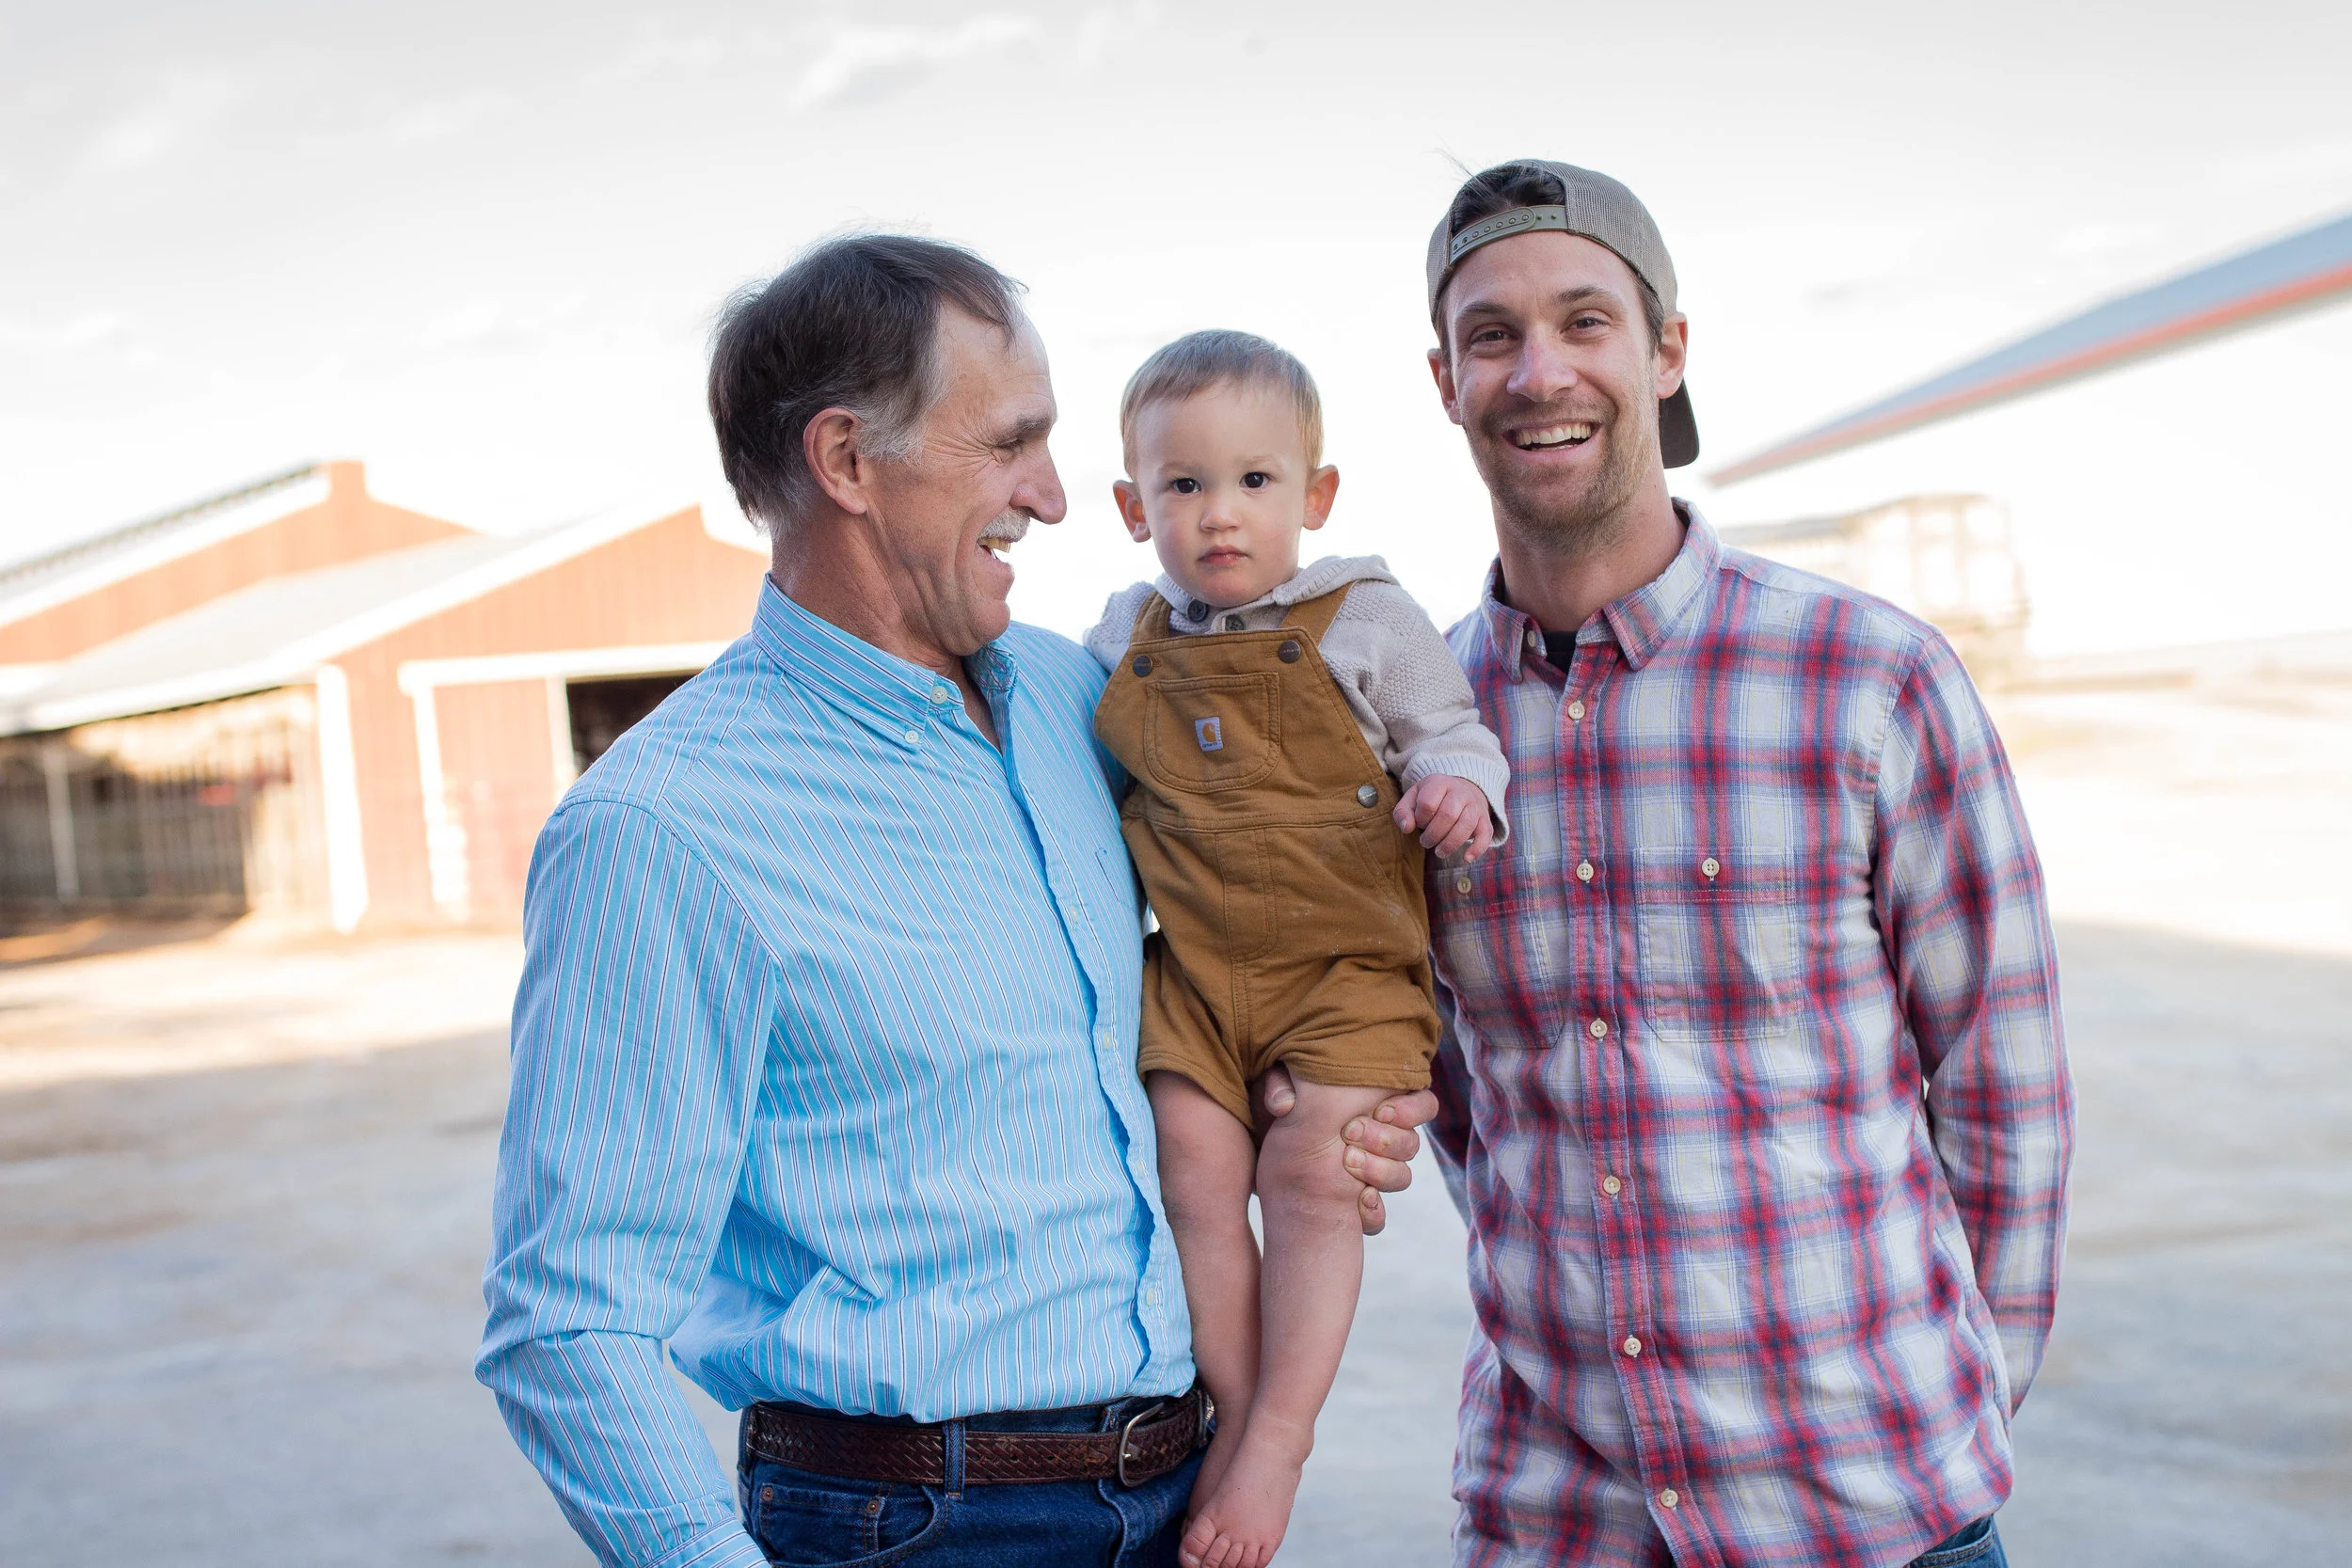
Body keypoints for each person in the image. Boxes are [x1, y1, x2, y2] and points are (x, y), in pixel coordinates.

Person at [474, 235, 1435, 1568]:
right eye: (1009, 442)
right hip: (910, 1527)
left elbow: (1249, 909)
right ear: (847, 462)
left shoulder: (1083, 697)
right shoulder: (661, 828)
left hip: (1183, 1485)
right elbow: (567, 1318)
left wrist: (1321, 1090)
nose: (1053, 494)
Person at [1417, 161, 2074, 1568]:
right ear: (1444, 382)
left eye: (1585, 321)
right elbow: (1462, 1110)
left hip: (1871, 1511)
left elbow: (2004, 1084)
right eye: (1491, 335)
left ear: (1665, 352)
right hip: (1555, 1516)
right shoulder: (1418, 734)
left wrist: (1954, 1405)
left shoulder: (1871, 677)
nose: (1540, 372)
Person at [1082, 331, 1509, 1568]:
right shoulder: (1120, 639)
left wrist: (1458, 791)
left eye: (1255, 480)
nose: (1220, 512)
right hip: (1195, 975)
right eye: (1184, 484)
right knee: (1192, 1170)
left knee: (1316, 1176)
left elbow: (1454, 732)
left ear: (1314, 495)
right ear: (1133, 507)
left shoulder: (1368, 619)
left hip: (1346, 976)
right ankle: (1236, 1404)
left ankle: (1279, 1434)